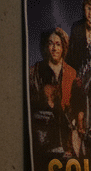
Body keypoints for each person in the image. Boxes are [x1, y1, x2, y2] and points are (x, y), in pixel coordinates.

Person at [29, 27, 84, 157]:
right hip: (43, 136)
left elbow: (77, 103)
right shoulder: (35, 71)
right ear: (46, 46)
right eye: (50, 43)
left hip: (67, 137)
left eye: (58, 44)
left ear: (63, 47)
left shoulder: (71, 73)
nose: (54, 48)